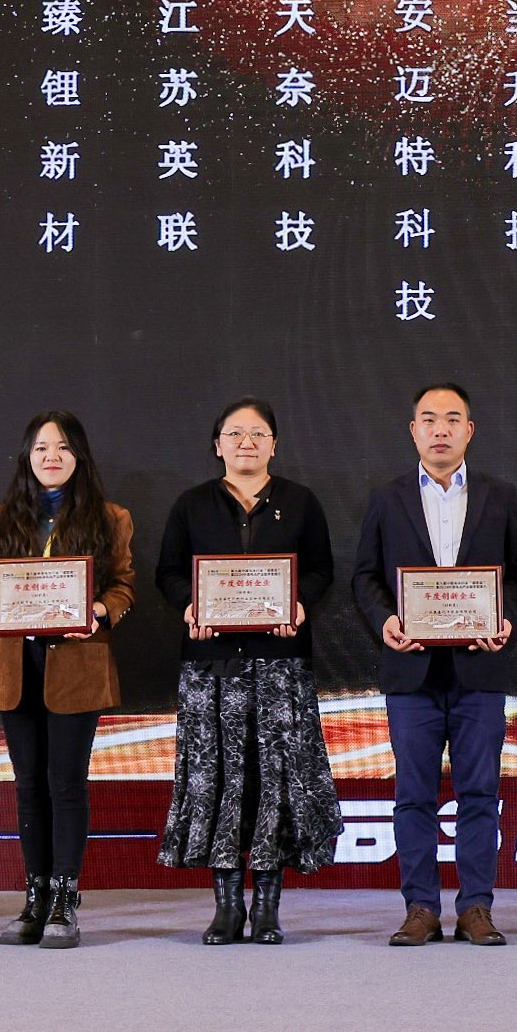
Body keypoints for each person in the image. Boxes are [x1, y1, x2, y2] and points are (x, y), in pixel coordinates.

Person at [154, 399, 343, 945]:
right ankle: (226, 906)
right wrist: (190, 606)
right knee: (217, 783)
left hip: (280, 666)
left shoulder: (300, 502)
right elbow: (168, 573)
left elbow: (321, 570)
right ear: (217, 445)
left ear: (274, 445)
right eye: (234, 433)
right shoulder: (192, 504)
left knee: (274, 782)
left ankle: (267, 907)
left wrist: (299, 604)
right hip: (210, 668)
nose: (246, 442)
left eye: (258, 433)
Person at [356, 384, 517, 947]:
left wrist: (505, 618)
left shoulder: (499, 495)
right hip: (410, 673)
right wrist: (385, 619)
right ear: (413, 431)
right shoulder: (386, 497)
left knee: (479, 794)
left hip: (478, 671)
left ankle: (476, 907)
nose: (440, 429)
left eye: (452, 419)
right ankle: (420, 908)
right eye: (429, 419)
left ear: (469, 430)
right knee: (413, 795)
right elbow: (364, 576)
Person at [0, 411, 134, 949]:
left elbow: (124, 587)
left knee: (66, 784)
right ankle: (34, 896)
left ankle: (66, 899)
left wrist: (100, 611)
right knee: (27, 786)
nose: (51, 456)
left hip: (78, 665)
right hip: (15, 667)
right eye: (41, 447)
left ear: (79, 456)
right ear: (27, 456)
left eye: (63, 447)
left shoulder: (110, 518)